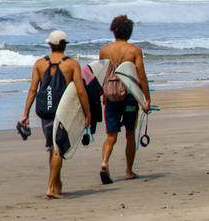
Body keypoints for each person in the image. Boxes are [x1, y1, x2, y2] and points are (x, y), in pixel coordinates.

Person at [19, 30, 89, 199]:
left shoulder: (39, 64)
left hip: (45, 112)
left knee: (52, 147)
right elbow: (80, 91)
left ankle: (57, 184)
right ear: (65, 44)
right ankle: (51, 187)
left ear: (50, 44)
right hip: (62, 112)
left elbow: (33, 90)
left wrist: (26, 114)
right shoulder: (72, 65)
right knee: (58, 149)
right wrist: (87, 113)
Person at [98, 15, 151, 184]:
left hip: (111, 96)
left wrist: (102, 94)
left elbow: (102, 74)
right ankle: (128, 171)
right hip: (129, 97)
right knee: (130, 133)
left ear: (114, 30)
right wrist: (146, 99)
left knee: (111, 135)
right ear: (129, 32)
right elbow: (141, 76)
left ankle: (105, 162)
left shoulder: (104, 50)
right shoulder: (134, 51)